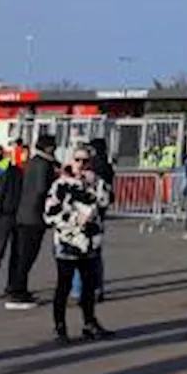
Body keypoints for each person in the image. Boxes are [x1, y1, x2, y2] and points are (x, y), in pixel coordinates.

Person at [43, 145, 114, 344]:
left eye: (86, 161)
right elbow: (49, 214)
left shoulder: (96, 183)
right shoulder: (60, 185)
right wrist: (74, 219)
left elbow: (106, 202)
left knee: (89, 286)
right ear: (70, 161)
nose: (81, 165)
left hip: (90, 242)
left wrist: (96, 185)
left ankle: (89, 323)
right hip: (67, 242)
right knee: (63, 286)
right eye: (77, 160)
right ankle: (60, 327)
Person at [5, 134, 59, 310]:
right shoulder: (44, 165)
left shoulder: (32, 162)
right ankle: (18, 293)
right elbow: (41, 189)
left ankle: (17, 287)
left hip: (23, 214)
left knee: (21, 255)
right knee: (28, 256)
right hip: (34, 217)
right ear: (49, 148)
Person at [73, 137, 116, 302]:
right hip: (99, 216)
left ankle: (79, 290)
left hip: (86, 215)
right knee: (95, 255)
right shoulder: (107, 167)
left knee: (81, 253)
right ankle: (97, 288)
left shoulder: (93, 170)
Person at [0, 145, 29, 299]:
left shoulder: (19, 173)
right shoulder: (16, 173)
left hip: (10, 216)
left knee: (4, 252)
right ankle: (0, 283)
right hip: (11, 216)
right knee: (8, 252)